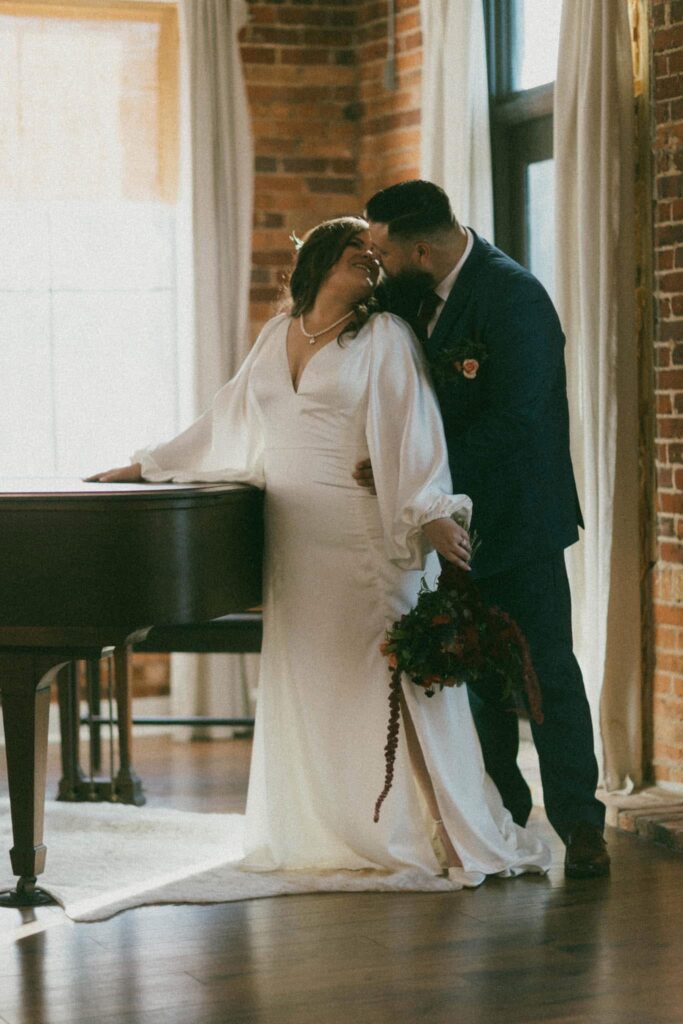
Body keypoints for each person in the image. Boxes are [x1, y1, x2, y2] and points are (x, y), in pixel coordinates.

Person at [89, 216, 550, 889]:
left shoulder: (383, 336)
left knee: (390, 678)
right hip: (293, 540)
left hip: (361, 533)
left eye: (375, 252)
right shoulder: (277, 334)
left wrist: (428, 512)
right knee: (317, 683)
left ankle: (445, 833)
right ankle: (334, 825)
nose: (369, 260)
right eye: (354, 250)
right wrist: (147, 466)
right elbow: (226, 418)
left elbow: (410, 423)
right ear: (319, 262)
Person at [355, 180, 609, 879]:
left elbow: (518, 419)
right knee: (472, 678)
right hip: (447, 524)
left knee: (543, 675)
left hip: (518, 518)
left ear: (421, 248)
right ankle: (502, 821)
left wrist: (416, 472)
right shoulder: (409, 299)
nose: (377, 267)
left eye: (382, 253)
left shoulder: (513, 297)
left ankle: (581, 827)